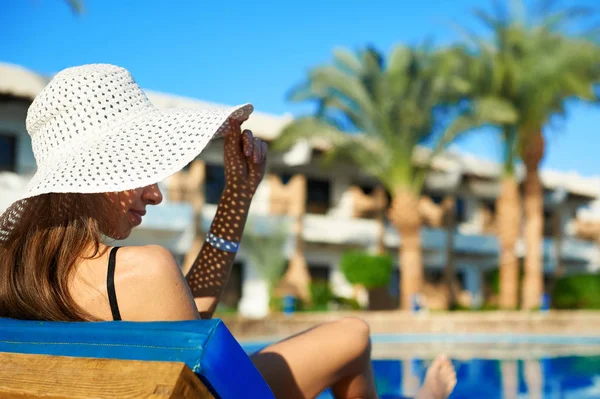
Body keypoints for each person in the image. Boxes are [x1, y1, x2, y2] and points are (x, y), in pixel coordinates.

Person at [0, 64, 456, 399]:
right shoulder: (143, 270)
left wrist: (236, 197)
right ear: (93, 176)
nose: (155, 194)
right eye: (138, 170)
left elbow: (182, 321)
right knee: (354, 335)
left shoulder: (13, 277)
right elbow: (197, 345)